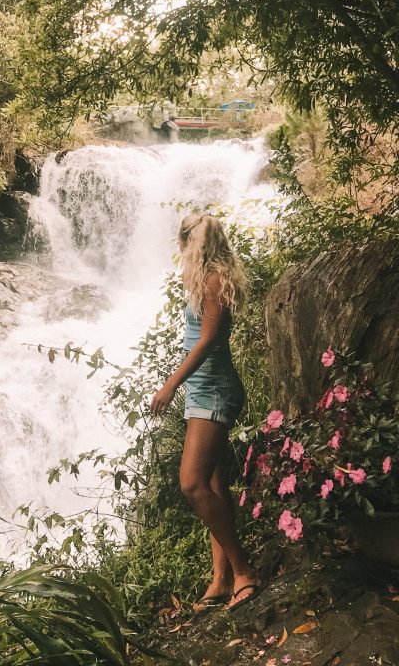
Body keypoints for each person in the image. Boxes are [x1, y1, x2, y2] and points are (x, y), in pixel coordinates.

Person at [150, 213, 261, 613]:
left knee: (192, 483)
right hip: (203, 389)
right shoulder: (205, 279)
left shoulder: (214, 280)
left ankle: (244, 569)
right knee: (214, 486)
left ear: (191, 243)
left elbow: (210, 339)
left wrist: (169, 385)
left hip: (213, 389)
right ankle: (222, 577)